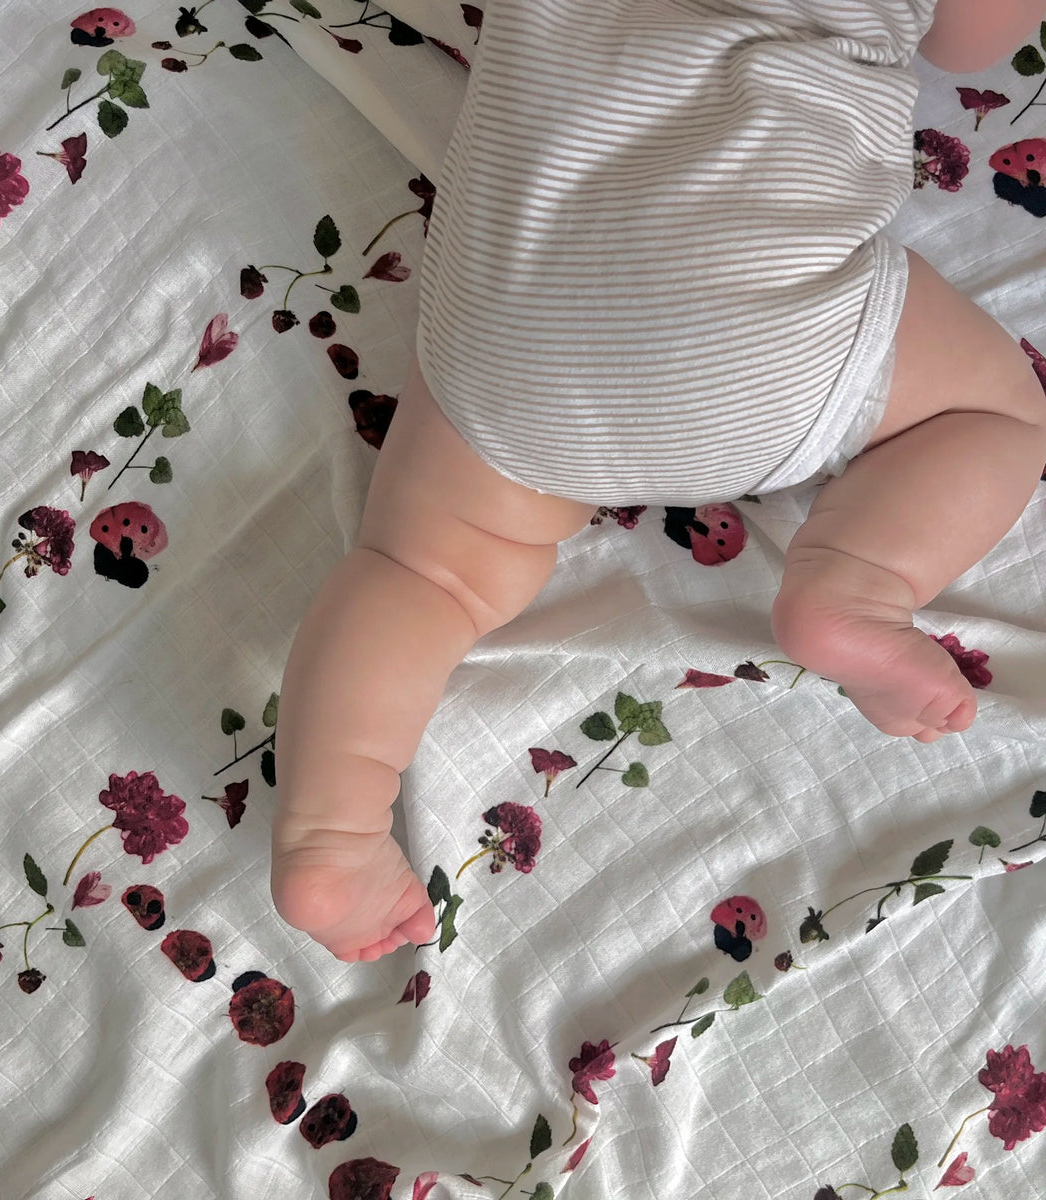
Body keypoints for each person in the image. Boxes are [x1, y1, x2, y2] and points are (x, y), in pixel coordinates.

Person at [271, 0, 1046, 962]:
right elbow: (973, 44)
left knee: (423, 576)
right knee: (1000, 418)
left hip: (512, 324)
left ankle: (329, 835)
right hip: (755, 339)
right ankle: (859, 577)